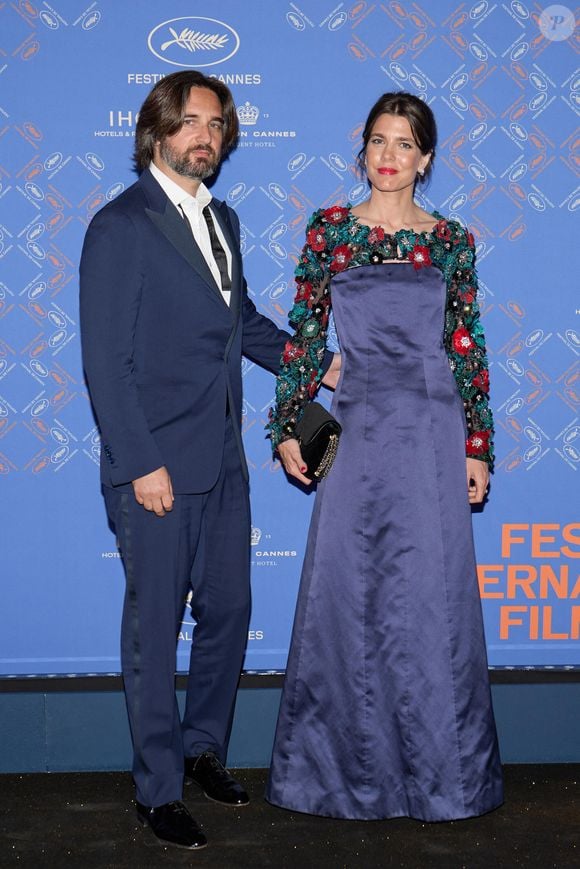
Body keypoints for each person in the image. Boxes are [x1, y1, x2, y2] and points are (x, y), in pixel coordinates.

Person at [80, 70, 338, 850]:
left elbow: (242, 325)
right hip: (156, 465)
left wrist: (314, 363)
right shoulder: (120, 226)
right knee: (154, 630)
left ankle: (202, 750)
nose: (207, 136)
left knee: (228, 612)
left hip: (224, 461)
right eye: (192, 122)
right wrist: (140, 462)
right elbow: (105, 363)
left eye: (218, 125)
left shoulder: (221, 217)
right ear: (158, 130)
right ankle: (156, 790)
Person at [266, 92, 504, 822]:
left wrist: (478, 445)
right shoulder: (330, 231)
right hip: (359, 422)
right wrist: (285, 425)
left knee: (432, 599)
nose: (390, 155)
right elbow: (306, 335)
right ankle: (333, 775)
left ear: (426, 158)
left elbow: (466, 348)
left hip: (433, 429)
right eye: (378, 141)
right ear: (362, 149)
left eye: (405, 143)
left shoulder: (452, 241)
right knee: (346, 592)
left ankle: (445, 777)